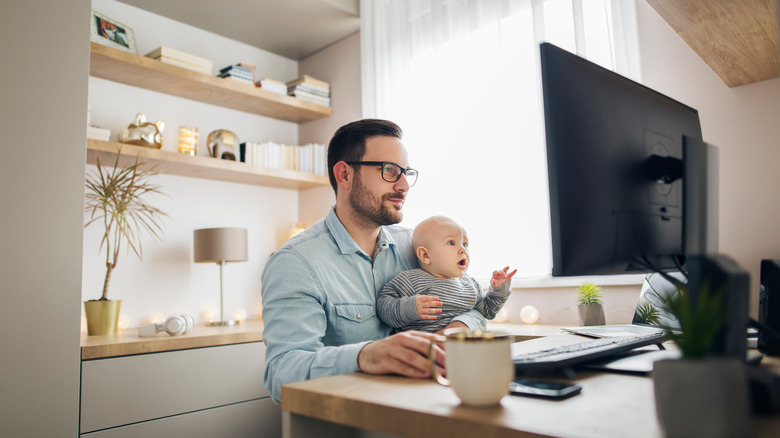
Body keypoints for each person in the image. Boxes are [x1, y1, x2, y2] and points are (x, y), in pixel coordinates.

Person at [260, 119, 486, 403]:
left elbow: (476, 307)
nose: (404, 185)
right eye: (389, 171)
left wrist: (458, 328)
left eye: (406, 173)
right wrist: (364, 356)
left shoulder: (417, 247)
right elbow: (282, 374)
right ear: (344, 175)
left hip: (431, 409)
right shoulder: (295, 263)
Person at [377, 215, 516, 332]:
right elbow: (383, 306)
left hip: (462, 351)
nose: (463, 250)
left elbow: (488, 311)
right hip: (422, 353)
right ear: (425, 255)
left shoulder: (470, 284)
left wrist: (498, 289)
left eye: (465, 244)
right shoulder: (409, 280)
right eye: (451, 243)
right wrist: (409, 307)